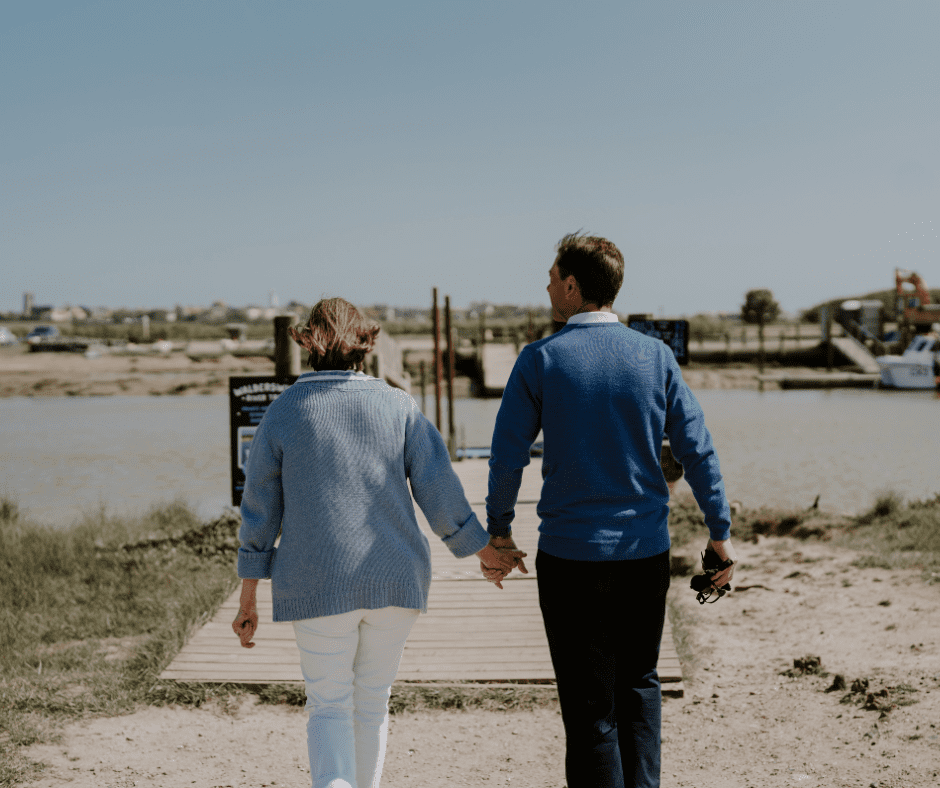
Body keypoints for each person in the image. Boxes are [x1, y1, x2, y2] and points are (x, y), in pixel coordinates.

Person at [231, 297, 525, 788]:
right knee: (371, 701)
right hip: (395, 579)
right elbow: (440, 492)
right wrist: (483, 550)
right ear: (364, 345)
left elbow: (260, 512)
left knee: (328, 703)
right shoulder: (398, 406)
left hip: (315, 580)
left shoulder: (283, 413)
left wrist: (248, 597)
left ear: (308, 342)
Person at [482, 233, 735, 788]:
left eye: (552, 278)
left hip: (570, 558)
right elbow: (697, 449)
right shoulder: (655, 356)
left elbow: (507, 456)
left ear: (572, 287)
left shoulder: (540, 360)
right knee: (640, 684)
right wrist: (720, 534)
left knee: (588, 702)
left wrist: (499, 532)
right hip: (644, 554)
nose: (547, 286)